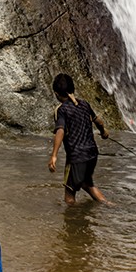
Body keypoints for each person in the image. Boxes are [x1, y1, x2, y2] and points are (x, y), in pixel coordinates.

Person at [47, 73, 110, 205]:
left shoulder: (61, 110)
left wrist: (54, 155)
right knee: (87, 184)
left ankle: (74, 222)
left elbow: (60, 130)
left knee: (69, 194)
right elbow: (98, 121)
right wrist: (103, 132)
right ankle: (109, 206)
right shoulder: (84, 104)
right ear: (73, 89)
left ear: (56, 94)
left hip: (77, 157)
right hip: (92, 153)